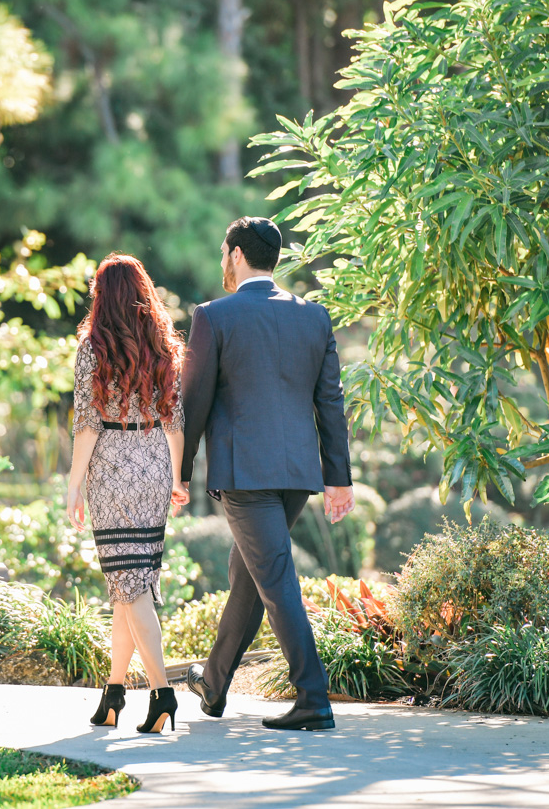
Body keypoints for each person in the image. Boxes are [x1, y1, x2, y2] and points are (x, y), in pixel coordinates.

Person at [179, 216, 355, 732]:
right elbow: (331, 403)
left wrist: (180, 472)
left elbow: (194, 401)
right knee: (250, 575)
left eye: (222, 252)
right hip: (297, 475)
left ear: (235, 254)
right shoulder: (313, 316)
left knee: (274, 580)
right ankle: (212, 685)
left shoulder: (213, 315)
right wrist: (337, 476)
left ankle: (313, 699)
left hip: (245, 476)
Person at [66, 253, 191, 734]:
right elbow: (174, 419)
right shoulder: (163, 345)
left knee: (129, 581)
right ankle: (113, 694)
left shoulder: (92, 348)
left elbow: (87, 423)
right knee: (129, 582)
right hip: (154, 459)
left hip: (113, 464)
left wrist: (74, 482)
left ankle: (162, 695)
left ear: (103, 295)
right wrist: (177, 477)